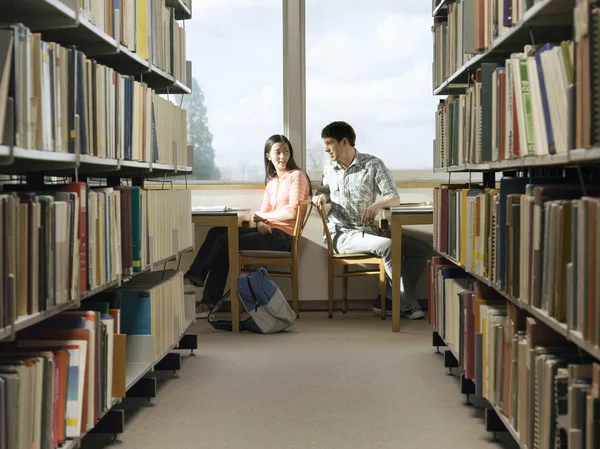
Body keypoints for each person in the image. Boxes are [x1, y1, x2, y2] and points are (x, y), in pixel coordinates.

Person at [312, 121, 428, 319]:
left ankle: (388, 299)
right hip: (341, 234)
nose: (326, 149)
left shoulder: (373, 165)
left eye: (330, 143)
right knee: (388, 246)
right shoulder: (329, 168)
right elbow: (324, 191)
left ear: (344, 142)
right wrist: (321, 197)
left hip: (368, 230)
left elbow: (394, 198)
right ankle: (407, 304)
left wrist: (378, 205)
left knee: (421, 249)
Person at [185, 134, 312, 313]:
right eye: (278, 152)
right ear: (268, 155)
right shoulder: (272, 183)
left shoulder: (296, 176)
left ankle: (195, 282)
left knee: (224, 240)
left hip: (284, 237)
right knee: (217, 233)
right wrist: (260, 223)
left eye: (286, 151)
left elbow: (292, 212)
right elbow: (260, 216)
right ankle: (205, 294)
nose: (283, 156)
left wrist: (262, 218)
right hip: (269, 232)